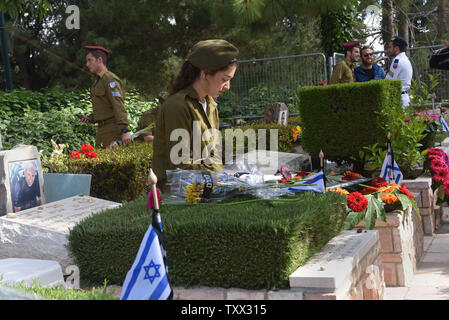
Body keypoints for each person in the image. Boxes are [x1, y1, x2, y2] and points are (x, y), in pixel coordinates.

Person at [152, 39, 239, 190]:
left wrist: (223, 180)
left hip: (205, 185)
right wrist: (217, 179)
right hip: (178, 191)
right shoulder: (178, 106)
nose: (227, 87)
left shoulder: (211, 104)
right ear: (205, 74)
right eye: (225, 79)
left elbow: (213, 155)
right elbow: (181, 163)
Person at [78, 46, 132, 148]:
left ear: (99, 60)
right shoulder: (97, 81)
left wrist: (124, 130)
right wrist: (90, 118)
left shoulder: (109, 79)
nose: (87, 64)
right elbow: (106, 108)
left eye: (90, 60)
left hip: (113, 130)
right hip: (102, 130)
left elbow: (118, 105)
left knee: (113, 163)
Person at [385, 36, 413, 107]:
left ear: (396, 48)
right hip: (404, 97)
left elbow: (389, 80)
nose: (388, 50)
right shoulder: (405, 59)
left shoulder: (397, 61)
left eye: (390, 47)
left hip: (399, 98)